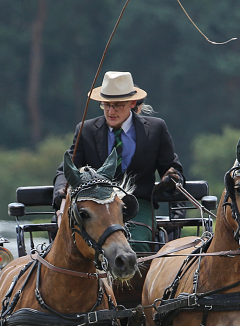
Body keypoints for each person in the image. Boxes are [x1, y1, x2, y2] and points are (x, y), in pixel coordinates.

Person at [53, 71, 184, 252]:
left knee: (135, 246)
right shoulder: (86, 130)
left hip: (137, 203)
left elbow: (171, 168)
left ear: (132, 103)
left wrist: (171, 178)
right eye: (106, 105)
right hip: (95, 204)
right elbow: (67, 170)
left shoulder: (155, 129)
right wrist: (61, 190)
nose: (111, 111)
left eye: (117, 106)